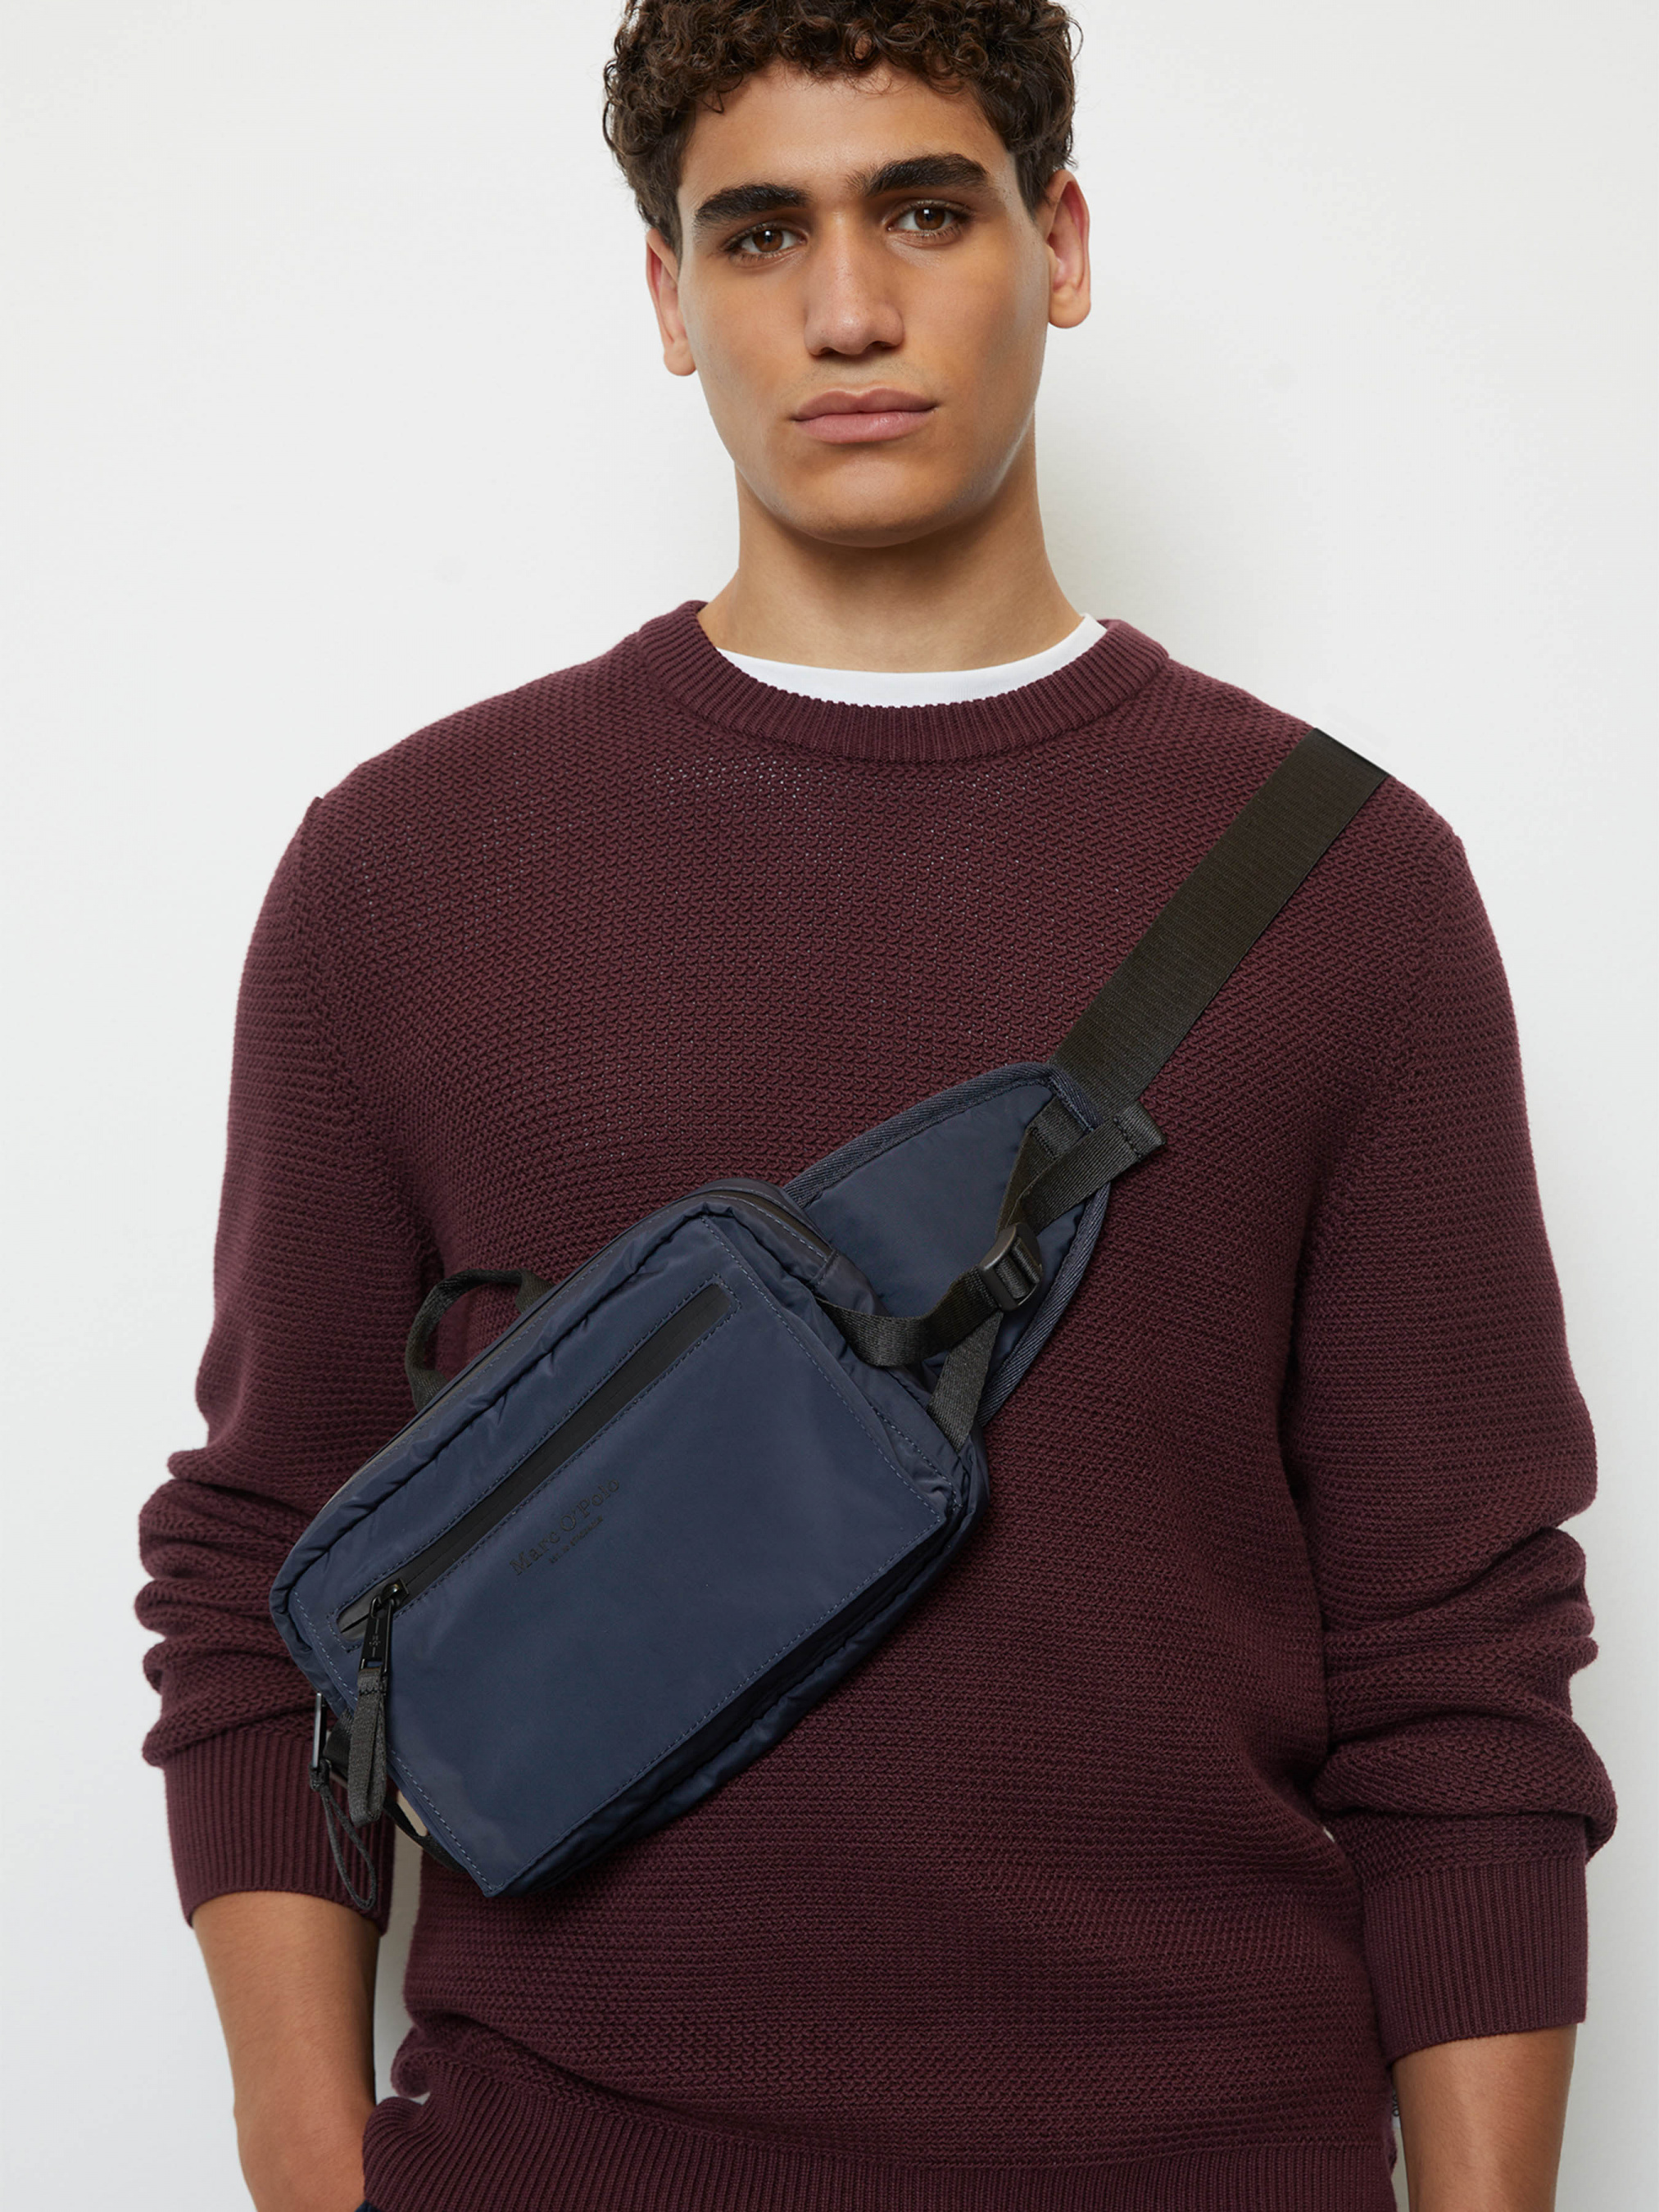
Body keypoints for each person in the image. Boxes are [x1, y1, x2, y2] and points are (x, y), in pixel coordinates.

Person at [136, 5, 1616, 2209]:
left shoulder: (1348, 888)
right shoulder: (410, 869)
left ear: (1060, 244)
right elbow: (269, 1564)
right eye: (759, 234)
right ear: (668, 296)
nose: (846, 310)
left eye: (924, 211)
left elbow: (1457, 1654)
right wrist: (308, 2156)